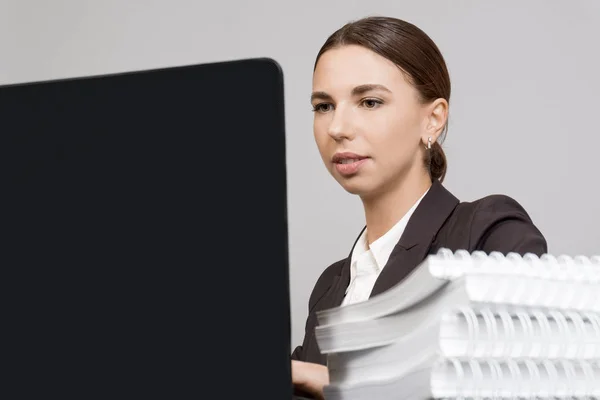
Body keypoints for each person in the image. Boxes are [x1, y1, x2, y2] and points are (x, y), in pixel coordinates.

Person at [290, 16, 547, 399]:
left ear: (433, 118)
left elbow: (514, 385)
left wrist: (339, 387)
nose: (337, 127)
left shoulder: (488, 235)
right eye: (323, 105)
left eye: (370, 101)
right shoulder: (331, 287)